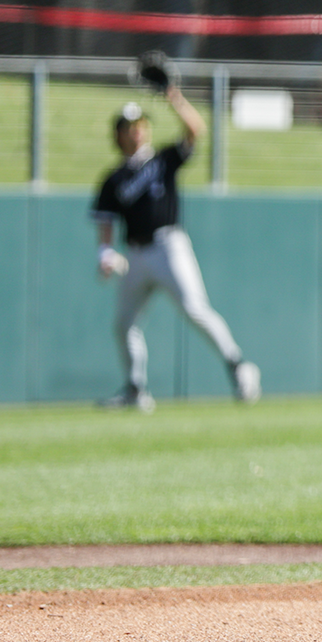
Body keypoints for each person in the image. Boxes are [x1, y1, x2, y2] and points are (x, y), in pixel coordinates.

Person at [92, 93, 262, 413]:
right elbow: (105, 222)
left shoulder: (163, 159)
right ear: (118, 134)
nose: (137, 131)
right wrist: (105, 253)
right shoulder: (113, 179)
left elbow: (196, 129)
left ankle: (239, 367)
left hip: (169, 247)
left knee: (195, 309)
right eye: (130, 126)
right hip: (136, 254)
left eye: (141, 125)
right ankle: (135, 390)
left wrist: (173, 95)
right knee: (124, 323)